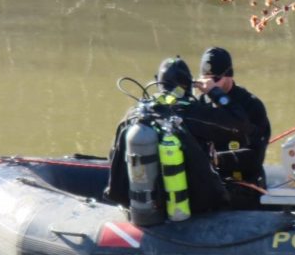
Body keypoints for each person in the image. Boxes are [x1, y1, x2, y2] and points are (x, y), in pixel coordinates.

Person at [105, 56, 254, 213]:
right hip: (193, 205)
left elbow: (113, 156)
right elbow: (241, 124)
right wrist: (214, 92)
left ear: (157, 81)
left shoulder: (135, 113)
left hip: (140, 205)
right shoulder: (190, 112)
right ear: (188, 84)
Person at [196, 47, 271, 188]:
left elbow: (255, 157)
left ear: (229, 74)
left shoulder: (252, 105)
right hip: (214, 181)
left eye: (214, 79)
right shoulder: (200, 102)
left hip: (245, 183)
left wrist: (218, 159)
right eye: (205, 80)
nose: (209, 85)